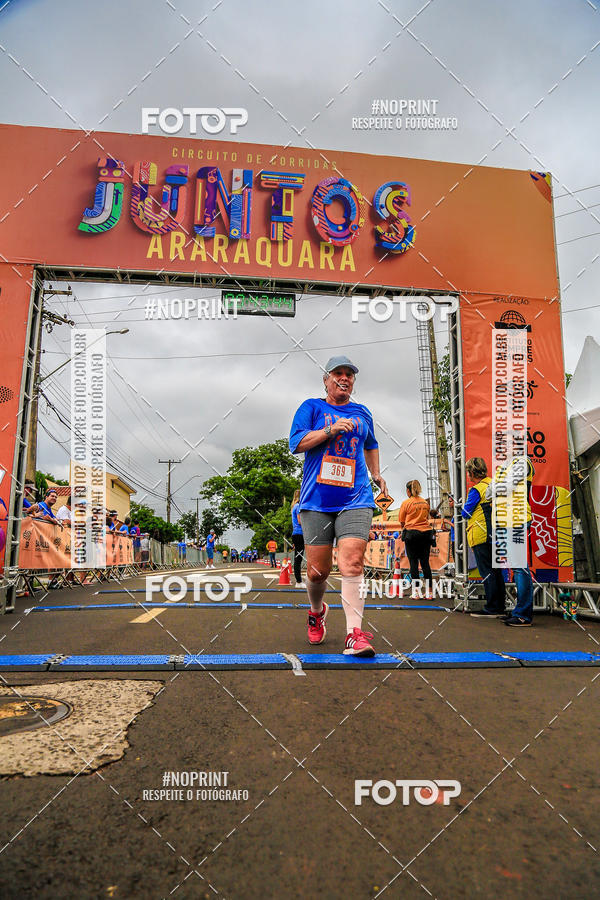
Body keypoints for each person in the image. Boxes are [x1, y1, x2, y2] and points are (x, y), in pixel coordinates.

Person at [289, 355, 387, 656]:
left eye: (349, 374)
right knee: (317, 571)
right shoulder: (311, 407)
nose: (344, 378)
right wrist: (329, 431)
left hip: (356, 498)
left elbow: (371, 444)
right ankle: (317, 611)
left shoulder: (362, 412)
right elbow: (296, 443)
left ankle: (354, 634)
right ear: (326, 380)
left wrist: (376, 474)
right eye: (338, 373)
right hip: (317, 501)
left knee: (353, 563)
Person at [486, 456, 534, 627]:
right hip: (506, 522)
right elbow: (488, 493)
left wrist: (496, 487)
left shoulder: (522, 462)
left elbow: (506, 487)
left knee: (519, 567)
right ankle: (519, 612)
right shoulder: (504, 467)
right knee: (517, 567)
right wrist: (497, 487)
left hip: (516, 520)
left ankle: (523, 614)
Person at [461, 457, 506, 617]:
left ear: (472, 472)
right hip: (498, 533)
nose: (467, 475)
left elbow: (465, 513)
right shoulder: (494, 484)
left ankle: (492, 607)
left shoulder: (476, 490)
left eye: (468, 472)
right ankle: (500, 606)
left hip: (481, 535)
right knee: (497, 571)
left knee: (487, 572)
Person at [398, 480, 433, 599]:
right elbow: (427, 517)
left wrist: (405, 529)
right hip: (426, 533)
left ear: (408, 490)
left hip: (412, 534)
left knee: (413, 563)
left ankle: (416, 592)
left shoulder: (406, 503)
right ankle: (429, 592)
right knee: (425, 563)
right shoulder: (425, 502)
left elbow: (402, 521)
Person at [291, 489, 305, 587]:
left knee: (298, 558)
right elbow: (300, 521)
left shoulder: (294, 506)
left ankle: (298, 580)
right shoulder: (298, 506)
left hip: (296, 534)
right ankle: (298, 581)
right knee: (298, 558)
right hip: (300, 534)